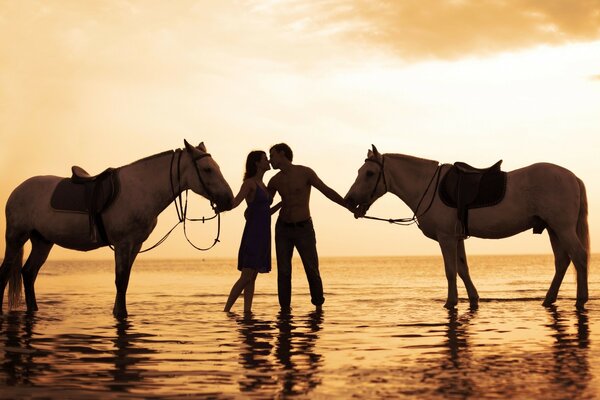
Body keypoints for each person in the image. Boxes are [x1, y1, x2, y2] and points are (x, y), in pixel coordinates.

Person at [267, 143, 347, 311]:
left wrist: (348, 205)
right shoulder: (274, 181)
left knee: (311, 268)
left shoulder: (304, 173)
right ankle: (285, 311)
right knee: (284, 271)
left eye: (272, 155)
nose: (270, 159)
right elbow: (262, 206)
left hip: (304, 228)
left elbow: (326, 191)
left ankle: (318, 307)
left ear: (282, 154)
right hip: (283, 229)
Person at [224, 151, 281, 313]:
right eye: (265, 159)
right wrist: (221, 204)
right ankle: (226, 310)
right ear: (257, 163)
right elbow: (235, 202)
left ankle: (247, 312)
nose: (268, 160)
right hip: (253, 234)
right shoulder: (250, 183)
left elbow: (265, 212)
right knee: (246, 276)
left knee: (252, 277)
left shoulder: (263, 184)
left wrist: (282, 204)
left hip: (264, 234)